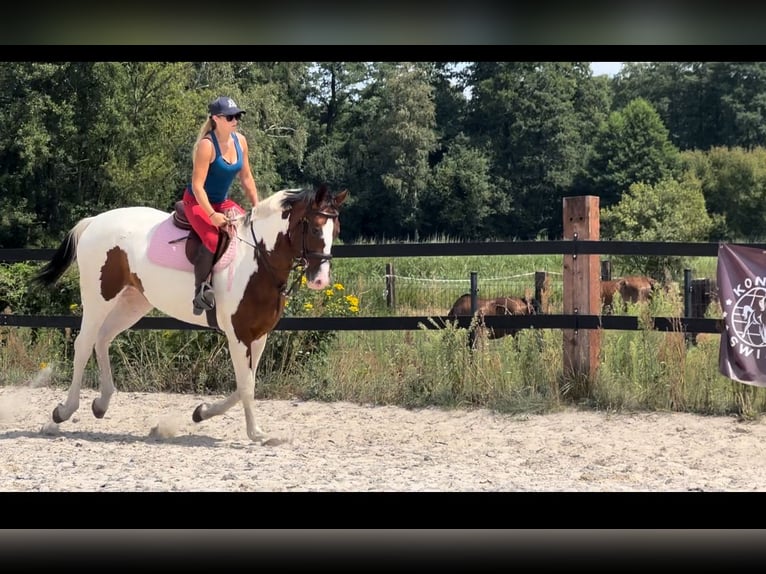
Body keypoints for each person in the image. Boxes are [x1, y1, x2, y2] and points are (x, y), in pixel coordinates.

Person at [183, 96, 259, 315]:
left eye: (237, 115)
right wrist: (212, 215)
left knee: (247, 230)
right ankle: (201, 293)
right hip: (197, 201)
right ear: (216, 118)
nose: (235, 120)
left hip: (221, 201)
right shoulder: (206, 146)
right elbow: (198, 187)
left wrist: (258, 207)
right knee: (212, 238)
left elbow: (247, 178)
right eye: (230, 116)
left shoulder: (241, 141)